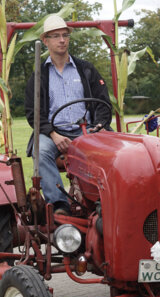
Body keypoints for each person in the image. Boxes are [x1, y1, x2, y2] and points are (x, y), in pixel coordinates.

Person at [25, 15, 112, 215]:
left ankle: (104, 200)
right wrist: (53, 134)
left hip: (87, 131)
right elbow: (33, 113)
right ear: (46, 41)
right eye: (55, 36)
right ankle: (59, 205)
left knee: (114, 152)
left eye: (65, 35)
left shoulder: (86, 69)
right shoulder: (39, 75)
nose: (62, 40)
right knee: (42, 152)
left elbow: (103, 103)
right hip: (53, 133)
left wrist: (98, 126)